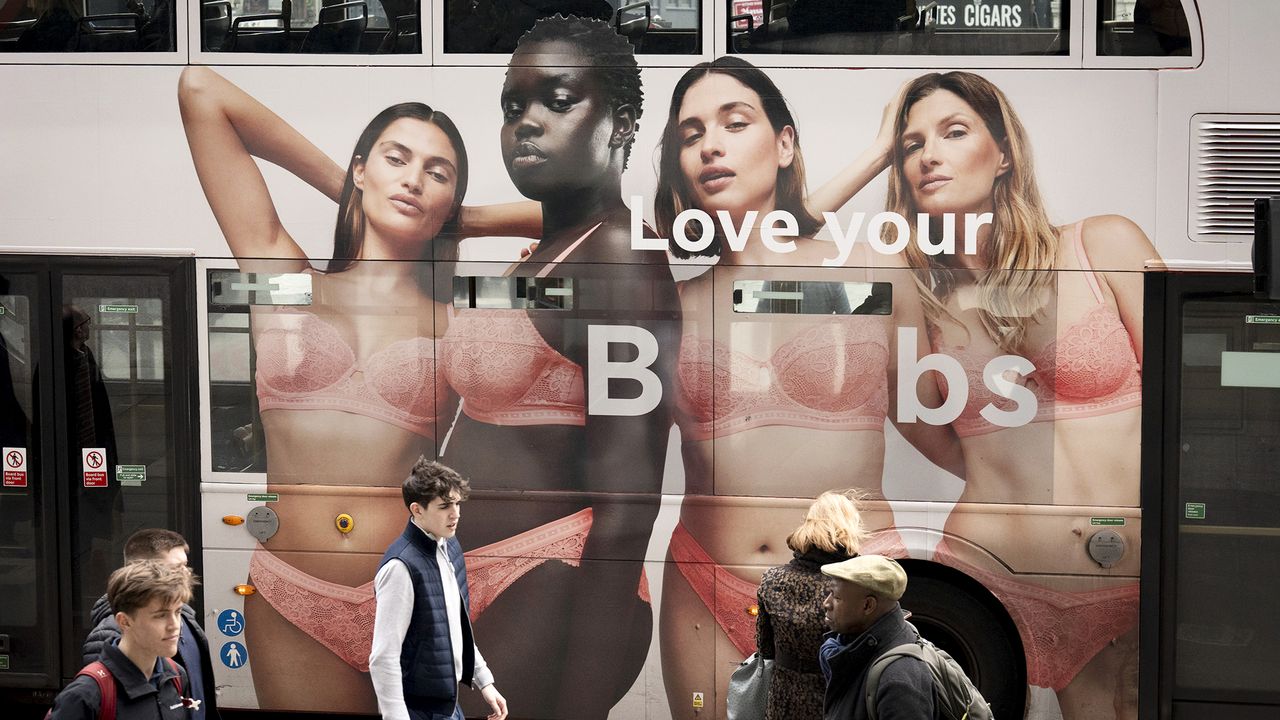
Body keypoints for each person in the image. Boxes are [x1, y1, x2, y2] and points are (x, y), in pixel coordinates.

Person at [652, 57, 961, 719]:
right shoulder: (670, 302)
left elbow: (929, 419)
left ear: (784, 143)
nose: (710, 144)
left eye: (735, 123)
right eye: (690, 133)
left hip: (851, 584)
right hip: (704, 580)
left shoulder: (872, 269)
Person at [178, 66, 471, 711]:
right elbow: (201, 89)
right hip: (293, 593)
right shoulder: (287, 278)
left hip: (410, 590)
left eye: (438, 173)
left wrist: (462, 220)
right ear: (361, 168)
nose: (414, 179)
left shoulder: (454, 322)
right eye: (397, 159)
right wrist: (348, 187)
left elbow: (567, 215)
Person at [885, 71, 1160, 719]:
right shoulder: (919, 300)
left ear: (1004, 151)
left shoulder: (1102, 244)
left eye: (954, 132)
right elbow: (919, 423)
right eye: (910, 144)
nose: (929, 155)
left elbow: (1187, 397)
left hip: (1130, 569)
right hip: (991, 573)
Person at [438, 15, 679, 719]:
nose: (527, 124)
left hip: (551, 580)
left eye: (558, 100)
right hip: (474, 572)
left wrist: (582, 699)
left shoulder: (622, 262)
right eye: (514, 106)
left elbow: (631, 503)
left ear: (623, 122)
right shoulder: (559, 249)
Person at [368, 458, 507, 720]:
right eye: (444, 506)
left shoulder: (449, 546)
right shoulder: (401, 567)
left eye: (456, 503)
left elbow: (457, 627)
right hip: (416, 710)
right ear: (417, 510)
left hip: (446, 705)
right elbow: (383, 658)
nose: (455, 514)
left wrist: (485, 681)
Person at [81, 529, 219, 720]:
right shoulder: (108, 633)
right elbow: (108, 702)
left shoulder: (185, 616)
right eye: (177, 568)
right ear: (144, 571)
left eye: (186, 566)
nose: (186, 574)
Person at [756, 491, 868, 720]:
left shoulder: (772, 579)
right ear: (848, 527)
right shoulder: (855, 584)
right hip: (835, 701)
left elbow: (764, 648)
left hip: (783, 702)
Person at [49, 560, 198, 720]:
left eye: (178, 612)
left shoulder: (176, 676)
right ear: (124, 621)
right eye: (161, 615)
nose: (175, 625)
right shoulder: (85, 695)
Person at [818, 554, 933, 720]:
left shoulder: (898, 681)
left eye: (836, 596)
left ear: (867, 605)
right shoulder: (859, 645)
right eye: (829, 593)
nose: (826, 603)